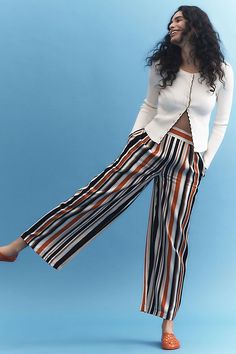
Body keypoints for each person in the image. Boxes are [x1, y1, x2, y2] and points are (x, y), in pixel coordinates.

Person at [0, 5, 234, 351]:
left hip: (189, 159)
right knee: (97, 196)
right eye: (171, 21)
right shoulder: (161, 66)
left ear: (196, 26)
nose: (172, 25)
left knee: (172, 236)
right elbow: (148, 106)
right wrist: (133, 141)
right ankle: (17, 246)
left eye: (179, 20)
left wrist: (204, 163)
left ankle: (167, 325)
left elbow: (220, 124)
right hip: (150, 145)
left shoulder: (222, 73)